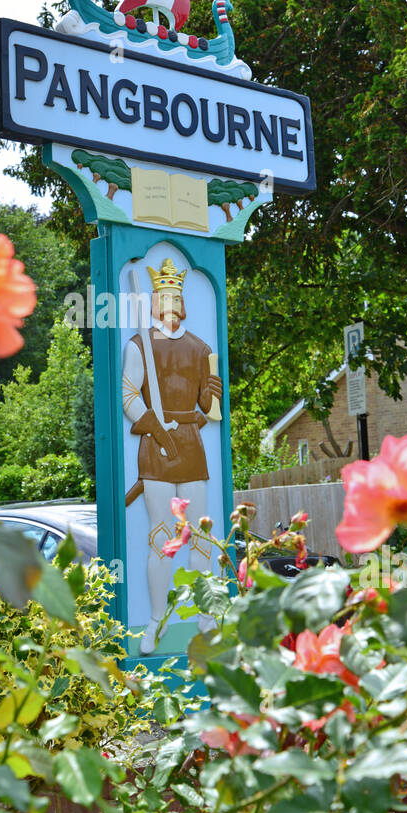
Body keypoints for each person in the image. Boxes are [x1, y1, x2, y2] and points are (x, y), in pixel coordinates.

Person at [122, 259, 223, 654]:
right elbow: (129, 393)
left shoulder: (201, 348)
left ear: (181, 301)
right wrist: (155, 428)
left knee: (200, 535)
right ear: (153, 301)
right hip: (156, 446)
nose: (169, 302)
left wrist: (209, 395)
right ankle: (156, 619)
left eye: (174, 295)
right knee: (161, 537)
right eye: (162, 295)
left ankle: (207, 615)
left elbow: (209, 408)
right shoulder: (138, 346)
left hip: (191, 445)